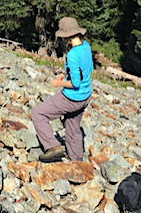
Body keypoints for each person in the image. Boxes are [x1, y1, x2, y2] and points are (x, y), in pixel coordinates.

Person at [31, 17, 94, 162]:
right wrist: (66, 76)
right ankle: (77, 160)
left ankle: (53, 147)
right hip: (85, 96)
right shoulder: (86, 46)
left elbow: (75, 83)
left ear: (66, 36)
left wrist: (58, 83)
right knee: (72, 125)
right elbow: (86, 69)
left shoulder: (72, 54)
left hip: (72, 97)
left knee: (38, 114)